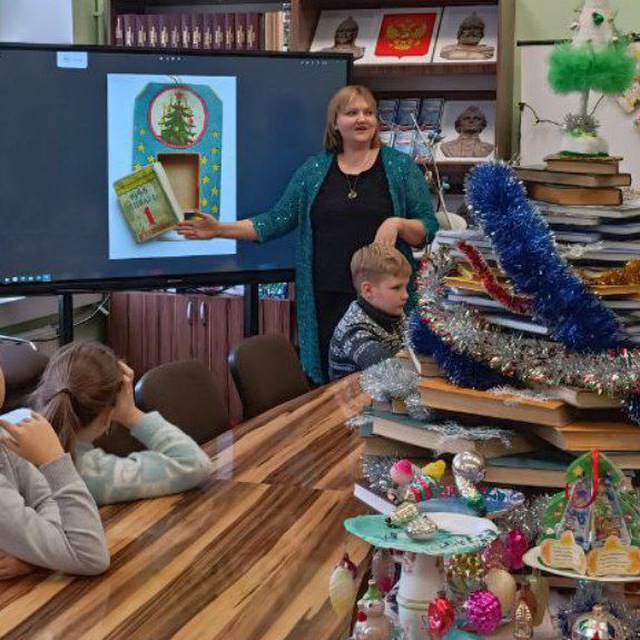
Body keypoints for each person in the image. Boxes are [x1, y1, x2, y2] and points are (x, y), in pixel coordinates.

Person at [178, 85, 438, 383]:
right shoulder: (313, 171)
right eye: (351, 112)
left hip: (381, 302)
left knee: (391, 382)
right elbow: (274, 221)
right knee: (332, 386)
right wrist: (218, 229)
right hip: (324, 299)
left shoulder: (400, 167)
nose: (362, 119)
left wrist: (397, 224)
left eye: (369, 112)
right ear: (335, 123)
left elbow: (427, 227)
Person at [29, 342, 212, 506]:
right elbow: (193, 463)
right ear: (106, 417)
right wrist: (130, 413)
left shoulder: (16, 439)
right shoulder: (91, 476)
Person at [0, 365, 110, 579]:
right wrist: (54, 460)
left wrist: (35, 557)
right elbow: (90, 554)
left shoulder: (5, 434)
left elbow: (45, 499)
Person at [328, 243, 409, 380]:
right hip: (354, 393)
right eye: (396, 288)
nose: (405, 295)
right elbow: (387, 369)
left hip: (385, 389)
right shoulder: (354, 330)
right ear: (368, 290)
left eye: (405, 287)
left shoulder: (393, 313)